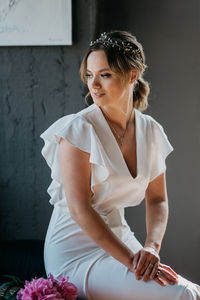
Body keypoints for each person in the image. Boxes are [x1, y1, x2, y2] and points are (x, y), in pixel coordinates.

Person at [40, 30, 200, 300]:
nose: (94, 85)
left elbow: (158, 199)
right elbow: (80, 210)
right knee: (181, 294)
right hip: (74, 252)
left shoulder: (151, 131)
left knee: (193, 291)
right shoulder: (78, 129)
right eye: (89, 75)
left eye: (105, 74)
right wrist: (131, 261)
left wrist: (151, 247)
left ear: (132, 75)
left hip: (119, 237)